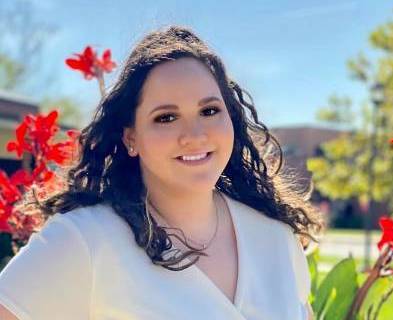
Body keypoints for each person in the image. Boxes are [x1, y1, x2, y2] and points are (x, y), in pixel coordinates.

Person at [0, 25, 322, 320]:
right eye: (166, 117)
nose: (195, 134)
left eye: (209, 110)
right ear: (131, 137)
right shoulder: (87, 240)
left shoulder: (277, 240)